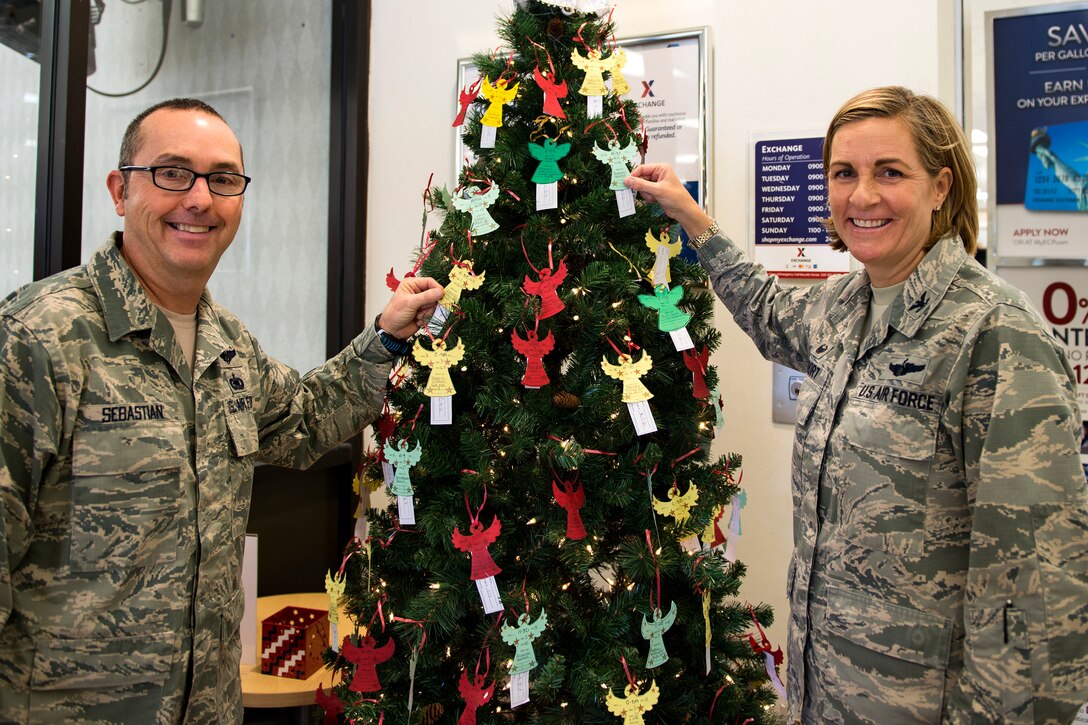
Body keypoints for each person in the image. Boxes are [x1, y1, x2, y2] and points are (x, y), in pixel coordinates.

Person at [626, 86, 1088, 723]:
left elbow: (1038, 592)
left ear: (940, 186)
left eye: (890, 172)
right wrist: (693, 220)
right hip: (824, 696)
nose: (862, 196)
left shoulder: (995, 334)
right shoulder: (845, 307)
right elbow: (767, 309)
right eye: (844, 173)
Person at [0, 98, 443, 723]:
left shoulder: (225, 343)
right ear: (119, 190)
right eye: (173, 173)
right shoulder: (38, 338)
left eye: (223, 179)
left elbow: (306, 419)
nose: (200, 199)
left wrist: (388, 338)